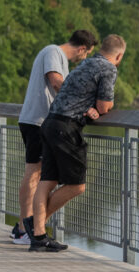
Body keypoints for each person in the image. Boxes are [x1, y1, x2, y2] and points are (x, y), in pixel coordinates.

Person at [30, 34, 126, 252]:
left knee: (48, 180)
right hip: (67, 128)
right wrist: (100, 108)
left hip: (51, 123)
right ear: (118, 55)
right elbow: (104, 105)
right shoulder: (109, 68)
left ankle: (37, 233)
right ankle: (36, 224)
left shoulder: (86, 62)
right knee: (77, 186)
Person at [11, 30, 97, 245]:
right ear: (82, 49)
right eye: (86, 54)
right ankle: (24, 229)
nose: (83, 59)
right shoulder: (53, 51)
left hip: (40, 121)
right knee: (33, 173)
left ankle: (25, 227)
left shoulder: (57, 57)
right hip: (37, 120)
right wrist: (81, 106)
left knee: (38, 174)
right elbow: (57, 82)